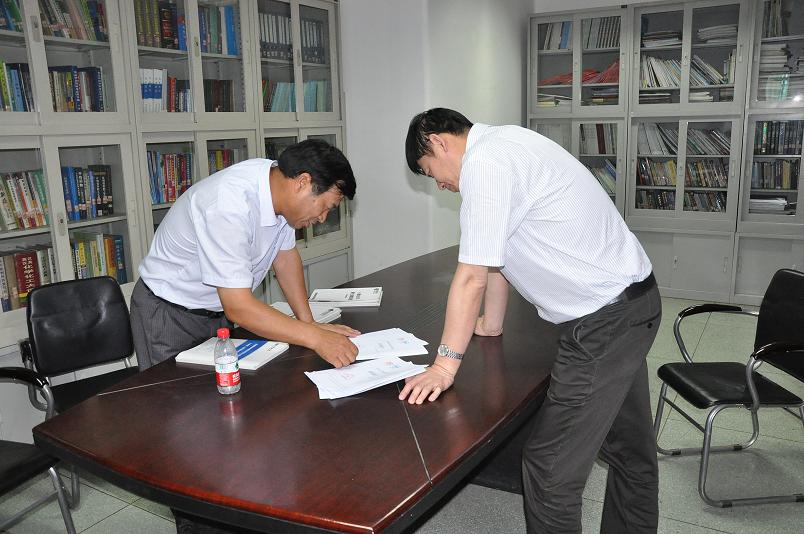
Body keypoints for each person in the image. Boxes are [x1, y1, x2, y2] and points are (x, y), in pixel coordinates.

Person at [401, 108, 661, 534]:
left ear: (437, 142)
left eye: (431, 173)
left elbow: (470, 276)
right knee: (629, 451)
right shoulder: (507, 143)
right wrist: (492, 323)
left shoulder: (485, 163)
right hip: (632, 304)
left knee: (549, 470)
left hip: (605, 322)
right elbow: (495, 259)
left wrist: (444, 366)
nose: (441, 185)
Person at [130, 139, 360, 372]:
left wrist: (309, 322)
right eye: (326, 207)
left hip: (216, 312)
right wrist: (315, 338)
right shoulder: (228, 205)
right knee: (174, 392)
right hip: (170, 313)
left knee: (223, 388)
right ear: (303, 182)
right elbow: (238, 306)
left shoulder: (278, 190)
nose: (322, 218)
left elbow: (285, 260)